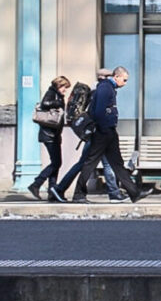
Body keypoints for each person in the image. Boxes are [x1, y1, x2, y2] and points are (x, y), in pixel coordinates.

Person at [79, 66, 144, 203]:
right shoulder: (105, 88)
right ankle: (79, 194)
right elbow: (99, 111)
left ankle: (134, 193)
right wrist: (103, 129)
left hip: (109, 131)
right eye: (124, 80)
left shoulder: (109, 88)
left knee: (117, 164)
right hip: (103, 132)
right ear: (116, 77)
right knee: (91, 163)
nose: (125, 83)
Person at [27, 75, 70, 200]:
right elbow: (45, 103)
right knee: (56, 162)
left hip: (54, 134)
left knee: (56, 163)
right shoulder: (52, 93)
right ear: (59, 85)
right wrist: (57, 103)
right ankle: (36, 184)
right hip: (49, 135)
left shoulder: (58, 95)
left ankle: (52, 191)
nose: (65, 90)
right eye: (64, 87)